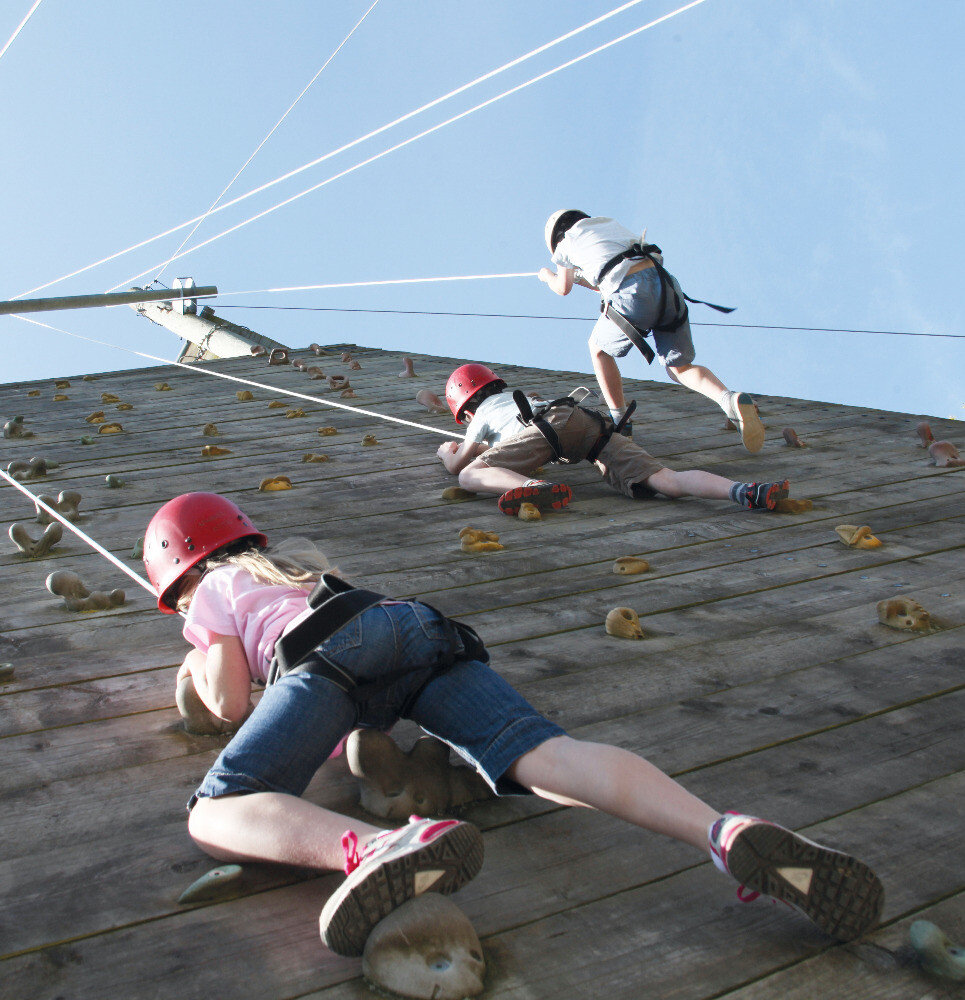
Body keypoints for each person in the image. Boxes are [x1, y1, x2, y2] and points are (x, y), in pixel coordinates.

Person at [145, 491, 884, 957]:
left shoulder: (213, 591)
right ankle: (719, 831)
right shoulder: (295, 568)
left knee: (218, 805)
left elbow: (230, 704)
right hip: (412, 628)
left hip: (330, 665)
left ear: (181, 575)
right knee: (546, 755)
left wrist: (196, 659)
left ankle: (375, 849)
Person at [537, 210, 766, 453]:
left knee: (598, 349)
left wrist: (547, 276)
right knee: (680, 368)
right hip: (666, 286)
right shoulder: (609, 225)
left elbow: (563, 288)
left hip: (632, 291)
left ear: (556, 238)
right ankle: (728, 400)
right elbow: (610, 274)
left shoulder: (565, 243)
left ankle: (620, 420)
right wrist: (582, 278)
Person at [437, 363, 789, 516]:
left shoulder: (480, 415)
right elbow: (509, 444)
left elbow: (459, 465)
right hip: (584, 425)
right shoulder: (516, 399)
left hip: (548, 433)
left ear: (466, 409)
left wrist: (445, 452)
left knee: (470, 476)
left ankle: (535, 485)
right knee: (668, 481)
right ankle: (744, 491)